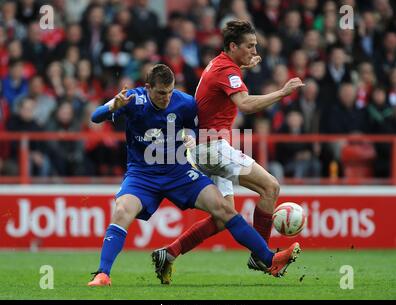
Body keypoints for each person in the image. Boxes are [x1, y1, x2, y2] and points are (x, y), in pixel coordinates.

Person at [87, 64, 300, 286]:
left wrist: (189, 136)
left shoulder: (185, 102)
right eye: (161, 93)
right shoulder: (132, 99)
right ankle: (103, 274)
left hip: (178, 171)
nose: (166, 98)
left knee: (224, 209)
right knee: (122, 210)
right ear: (148, 87)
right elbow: (95, 117)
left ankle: (269, 259)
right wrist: (113, 105)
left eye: (170, 92)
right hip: (142, 175)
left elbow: (194, 128)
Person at [153, 20, 304, 284]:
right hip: (213, 147)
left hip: (203, 147)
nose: (253, 50)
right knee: (271, 187)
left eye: (255, 45)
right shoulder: (227, 70)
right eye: (249, 46)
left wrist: (243, 65)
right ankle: (262, 255)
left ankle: (170, 252)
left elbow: (223, 88)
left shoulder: (221, 63)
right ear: (233, 46)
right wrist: (282, 92)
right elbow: (244, 104)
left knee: (223, 217)